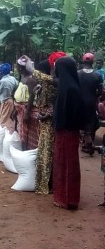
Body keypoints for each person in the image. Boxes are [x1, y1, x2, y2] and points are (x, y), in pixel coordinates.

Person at [27, 55, 86, 209]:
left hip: (66, 131)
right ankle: (66, 197)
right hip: (66, 131)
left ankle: (67, 199)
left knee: (66, 165)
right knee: (65, 163)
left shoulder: (69, 90)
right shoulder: (69, 87)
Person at [31, 58, 57, 195]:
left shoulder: (50, 85)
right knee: (44, 152)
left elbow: (53, 105)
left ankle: (47, 184)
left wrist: (45, 115)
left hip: (49, 124)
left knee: (48, 153)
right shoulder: (43, 86)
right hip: (45, 123)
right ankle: (46, 183)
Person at [78, 53, 102, 155]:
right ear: (93, 62)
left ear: (83, 62)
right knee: (91, 122)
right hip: (91, 102)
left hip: (79, 102)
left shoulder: (77, 73)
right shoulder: (97, 75)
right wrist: (94, 97)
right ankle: (89, 144)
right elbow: (100, 91)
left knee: (79, 122)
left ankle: (83, 143)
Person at [14, 57, 39, 150]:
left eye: (18, 67)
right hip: (20, 108)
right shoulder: (22, 77)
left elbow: (32, 96)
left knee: (29, 134)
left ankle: (28, 152)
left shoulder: (31, 79)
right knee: (22, 133)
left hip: (28, 110)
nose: (17, 69)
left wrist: (27, 113)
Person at [0, 63, 18, 132]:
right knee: (10, 119)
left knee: (3, 120)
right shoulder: (13, 78)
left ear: (1, 72)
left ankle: (5, 134)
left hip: (5, 102)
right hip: (11, 100)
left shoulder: (2, 81)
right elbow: (17, 86)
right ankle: (9, 134)